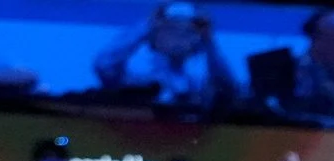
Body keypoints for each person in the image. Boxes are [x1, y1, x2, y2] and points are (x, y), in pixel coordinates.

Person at [92, 0, 237, 106]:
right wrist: (147, 26)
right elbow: (104, 64)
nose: (178, 38)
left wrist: (209, 43)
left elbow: (228, 88)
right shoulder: (137, 79)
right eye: (170, 30)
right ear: (153, 39)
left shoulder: (198, 85)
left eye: (187, 33)